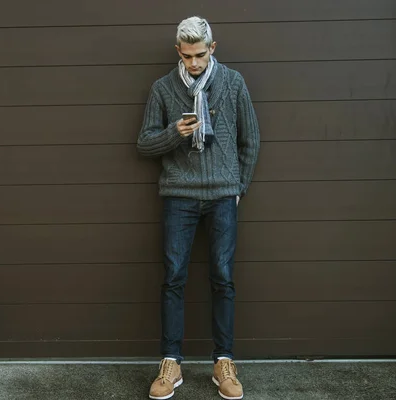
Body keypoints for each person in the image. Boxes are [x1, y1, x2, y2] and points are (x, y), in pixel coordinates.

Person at [137, 16, 260, 400]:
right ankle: (170, 362)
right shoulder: (162, 88)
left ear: (213, 49)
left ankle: (224, 362)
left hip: (223, 194)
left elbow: (250, 140)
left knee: (222, 277)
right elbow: (143, 143)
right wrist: (175, 133)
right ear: (178, 51)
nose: (194, 63)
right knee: (174, 276)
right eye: (187, 55)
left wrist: (238, 187)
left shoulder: (233, 83)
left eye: (200, 55)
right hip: (179, 195)